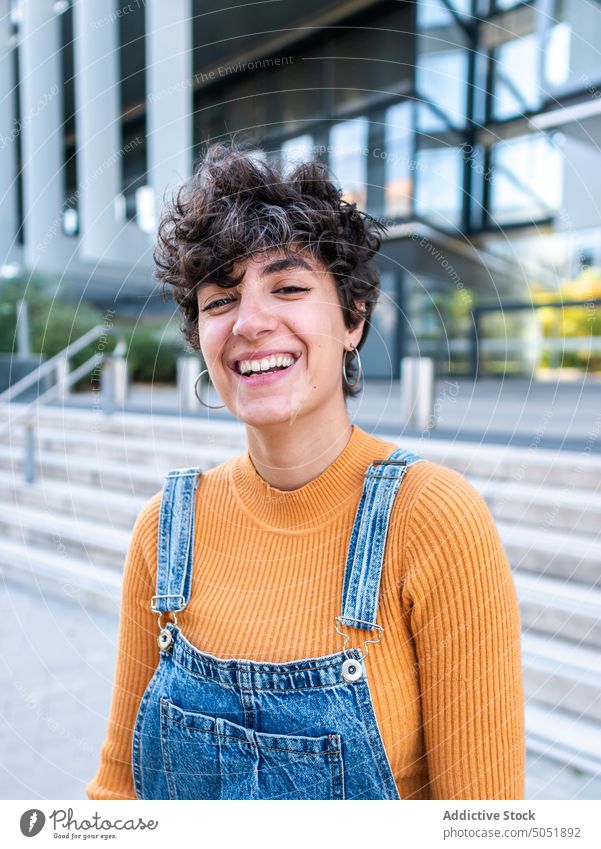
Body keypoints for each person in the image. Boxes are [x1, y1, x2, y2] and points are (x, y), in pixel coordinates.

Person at [86, 142, 524, 800]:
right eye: (220, 300)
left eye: (288, 287)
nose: (251, 323)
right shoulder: (163, 530)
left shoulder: (432, 518)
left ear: (352, 317)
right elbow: (119, 792)